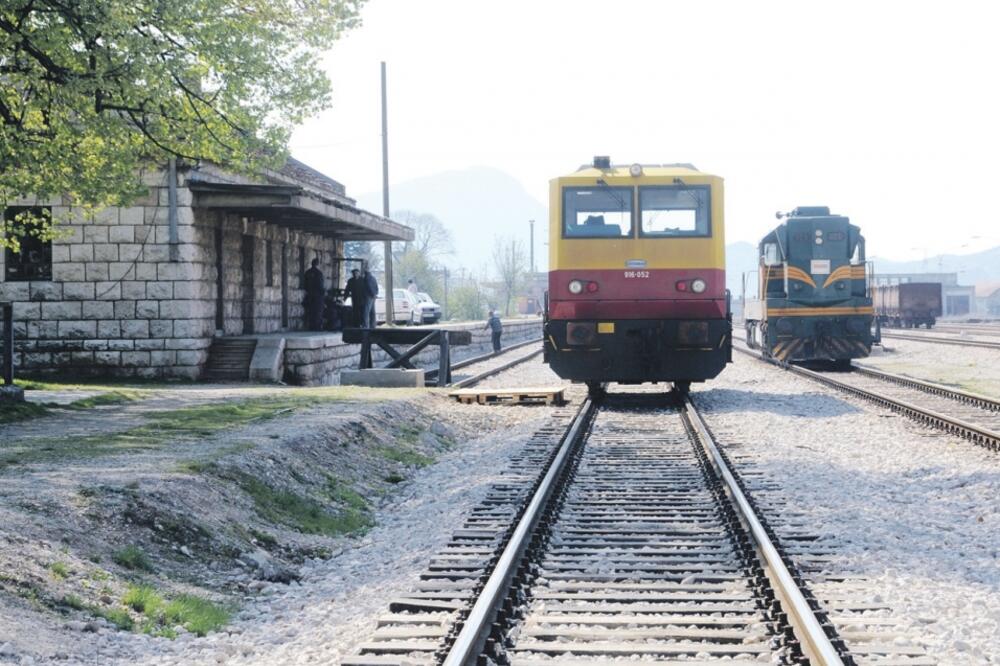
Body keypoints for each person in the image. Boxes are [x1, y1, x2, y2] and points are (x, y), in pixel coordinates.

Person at [303, 258, 324, 330]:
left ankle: (310, 326)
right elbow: (320, 285)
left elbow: (304, 284)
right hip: (317, 295)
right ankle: (317, 326)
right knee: (317, 311)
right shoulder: (319, 273)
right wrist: (323, 293)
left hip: (309, 294)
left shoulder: (307, 272)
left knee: (310, 311)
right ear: (317, 264)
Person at [361, 264, 379, 328]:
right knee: (372, 312)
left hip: (368, 296)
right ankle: (373, 326)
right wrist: (375, 294)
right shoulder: (373, 278)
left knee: (366, 312)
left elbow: (369, 286)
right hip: (373, 297)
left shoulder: (366, 278)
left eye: (364, 269)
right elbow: (376, 287)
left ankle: (366, 326)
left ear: (366, 270)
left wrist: (372, 294)